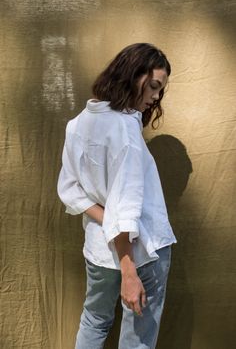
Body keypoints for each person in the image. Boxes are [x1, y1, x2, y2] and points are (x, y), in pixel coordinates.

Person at [57, 43, 177, 349]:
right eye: (153, 86)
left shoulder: (78, 124)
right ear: (131, 75)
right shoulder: (124, 129)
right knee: (137, 339)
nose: (156, 97)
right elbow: (125, 209)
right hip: (141, 253)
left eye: (160, 90)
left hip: (98, 249)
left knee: (93, 321)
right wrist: (128, 270)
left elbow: (70, 191)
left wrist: (108, 220)